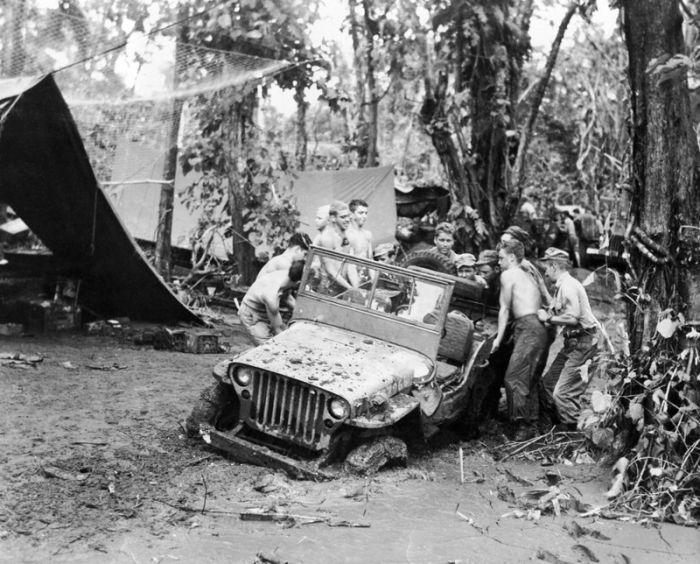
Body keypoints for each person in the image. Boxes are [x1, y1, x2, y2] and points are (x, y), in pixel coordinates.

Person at [491, 239, 549, 441]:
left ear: (512, 258)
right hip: (539, 329)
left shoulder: (508, 274)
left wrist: (498, 339)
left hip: (528, 328)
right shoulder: (528, 275)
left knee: (514, 377)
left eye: (501, 258)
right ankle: (533, 423)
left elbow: (505, 309)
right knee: (529, 378)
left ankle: (522, 427)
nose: (499, 262)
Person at [537, 247, 599, 430]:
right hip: (573, 343)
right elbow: (557, 307)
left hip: (584, 343)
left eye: (547, 268)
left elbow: (572, 317)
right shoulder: (563, 286)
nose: (546, 273)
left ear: (554, 266)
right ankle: (556, 427)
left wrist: (548, 318)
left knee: (563, 393)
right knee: (548, 384)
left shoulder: (568, 286)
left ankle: (571, 437)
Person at [237, 260, 305, 345]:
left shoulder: (286, 276)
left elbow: (287, 297)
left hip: (265, 309)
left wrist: (304, 314)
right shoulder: (272, 296)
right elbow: (278, 329)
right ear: (299, 283)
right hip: (252, 315)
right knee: (267, 347)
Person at [317, 200, 358, 291]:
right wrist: (350, 289)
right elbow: (330, 271)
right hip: (327, 289)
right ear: (333, 218)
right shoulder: (327, 238)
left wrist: (356, 289)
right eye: (343, 217)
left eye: (348, 216)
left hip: (342, 286)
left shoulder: (348, 237)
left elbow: (350, 266)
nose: (347, 220)